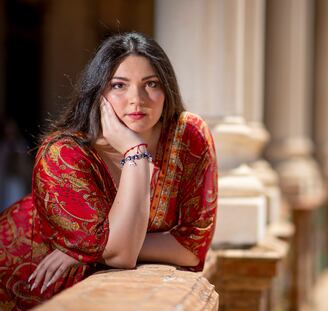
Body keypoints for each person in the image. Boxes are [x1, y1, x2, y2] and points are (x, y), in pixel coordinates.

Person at [0, 32, 218, 310]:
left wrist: (91, 249)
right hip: (21, 281)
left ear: (167, 91)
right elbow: (121, 254)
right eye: (119, 85)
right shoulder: (63, 153)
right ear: (98, 93)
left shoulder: (189, 136)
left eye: (151, 84)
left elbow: (191, 250)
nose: (136, 99)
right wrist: (135, 154)